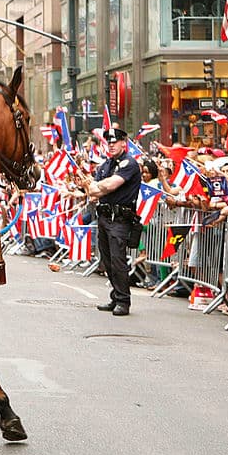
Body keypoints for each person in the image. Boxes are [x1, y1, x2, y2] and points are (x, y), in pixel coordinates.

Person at [79, 127, 140, 316]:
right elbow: (93, 194)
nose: (111, 145)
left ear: (124, 143)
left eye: (115, 142)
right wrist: (95, 188)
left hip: (120, 218)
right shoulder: (106, 165)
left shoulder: (128, 164)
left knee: (118, 260)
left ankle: (123, 300)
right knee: (107, 260)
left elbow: (109, 185)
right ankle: (116, 296)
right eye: (109, 142)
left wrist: (96, 187)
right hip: (104, 217)